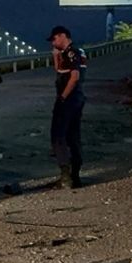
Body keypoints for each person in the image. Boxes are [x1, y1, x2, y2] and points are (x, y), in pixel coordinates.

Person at [47, 25, 87, 188]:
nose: (52, 43)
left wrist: (63, 96)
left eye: (54, 39)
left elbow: (75, 76)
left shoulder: (72, 53)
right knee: (72, 136)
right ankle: (74, 177)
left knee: (58, 136)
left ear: (63, 36)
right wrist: (56, 56)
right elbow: (59, 70)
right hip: (76, 100)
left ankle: (66, 177)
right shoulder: (68, 54)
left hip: (68, 100)